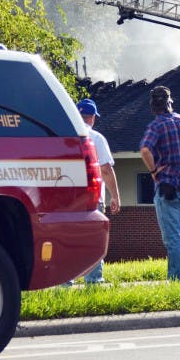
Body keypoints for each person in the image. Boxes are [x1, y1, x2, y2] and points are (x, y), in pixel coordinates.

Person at [139, 86, 180, 281]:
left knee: (172, 237)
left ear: (153, 106)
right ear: (170, 103)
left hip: (168, 188)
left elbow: (145, 150)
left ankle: (177, 279)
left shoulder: (156, 126)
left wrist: (153, 172)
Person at [77, 98, 120, 284]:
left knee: (69, 239)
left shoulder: (61, 136)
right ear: (93, 118)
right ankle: (93, 281)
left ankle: (64, 283)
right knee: (94, 240)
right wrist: (115, 196)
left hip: (68, 197)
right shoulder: (96, 138)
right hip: (92, 197)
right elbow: (106, 170)